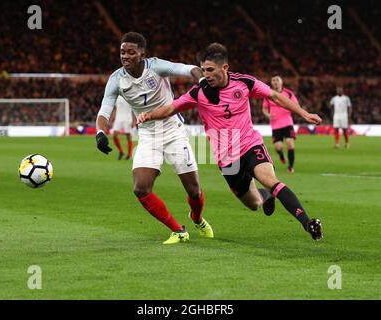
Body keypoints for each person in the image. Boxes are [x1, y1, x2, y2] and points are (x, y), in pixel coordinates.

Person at [137, 43, 323, 241]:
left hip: (249, 144)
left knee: (271, 181)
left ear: (224, 68)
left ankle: (308, 223)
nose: (205, 75)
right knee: (254, 204)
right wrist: (148, 115)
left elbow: (275, 96)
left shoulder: (244, 83)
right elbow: (170, 108)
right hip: (227, 158)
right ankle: (265, 196)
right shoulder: (198, 93)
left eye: (210, 70)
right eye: (203, 70)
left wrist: (304, 113)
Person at [95, 32, 213, 244]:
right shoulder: (116, 80)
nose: (125, 56)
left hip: (173, 132)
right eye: (122, 52)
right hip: (148, 136)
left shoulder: (156, 67)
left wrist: (202, 79)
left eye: (131, 52)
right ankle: (178, 230)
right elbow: (104, 110)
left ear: (142, 53)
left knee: (194, 191)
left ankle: (197, 217)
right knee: (140, 188)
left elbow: (187, 69)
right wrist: (100, 133)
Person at [262, 75, 298, 173]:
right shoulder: (268, 94)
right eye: (273, 80)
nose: (275, 82)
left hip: (287, 122)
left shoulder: (288, 94)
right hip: (275, 125)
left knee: (290, 143)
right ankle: (281, 155)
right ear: (271, 83)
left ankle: (290, 167)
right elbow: (264, 109)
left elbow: (296, 105)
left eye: (277, 80)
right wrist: (268, 115)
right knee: (278, 147)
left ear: (281, 82)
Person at [111, 95, 135, 160]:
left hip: (127, 117)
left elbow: (133, 110)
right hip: (118, 117)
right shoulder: (117, 97)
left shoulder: (130, 96)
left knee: (128, 135)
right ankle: (121, 151)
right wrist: (112, 119)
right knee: (114, 135)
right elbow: (115, 109)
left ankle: (129, 155)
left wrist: (133, 121)